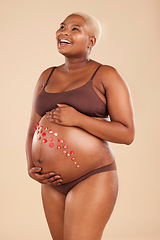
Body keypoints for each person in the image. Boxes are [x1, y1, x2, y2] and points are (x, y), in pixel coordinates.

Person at [26, 12, 135, 240]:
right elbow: (33, 129)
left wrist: (78, 120)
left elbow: (127, 133)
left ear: (91, 41)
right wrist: (32, 167)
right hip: (51, 183)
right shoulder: (47, 76)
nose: (64, 32)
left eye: (75, 29)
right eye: (62, 26)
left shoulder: (106, 75)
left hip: (92, 177)